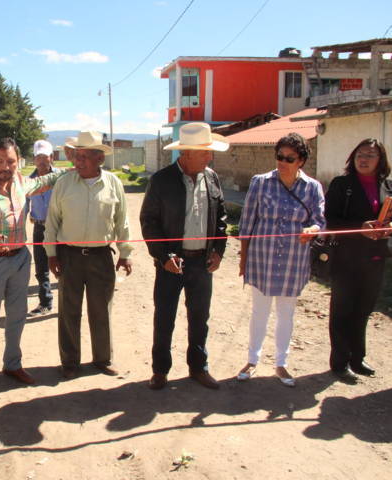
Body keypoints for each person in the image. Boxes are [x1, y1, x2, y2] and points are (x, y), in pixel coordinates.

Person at [0, 137, 64, 389]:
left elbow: (45, 181)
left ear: (18, 162)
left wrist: (74, 169)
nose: (5, 167)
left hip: (19, 259)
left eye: (10, 161)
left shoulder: (21, 181)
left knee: (17, 315)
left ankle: (12, 364)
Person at [140, 122, 228, 391]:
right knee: (164, 317)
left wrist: (218, 251)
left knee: (200, 318)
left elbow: (221, 218)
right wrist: (164, 256)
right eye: (204, 152)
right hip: (171, 264)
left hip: (202, 263)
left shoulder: (211, 178)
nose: (209, 157)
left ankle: (198, 367)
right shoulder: (161, 180)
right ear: (186, 153)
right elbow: (149, 222)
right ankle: (160, 370)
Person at [237, 132, 325, 387]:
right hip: (262, 257)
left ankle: (281, 363)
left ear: (301, 161)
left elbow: (319, 220)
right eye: (280, 156)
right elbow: (247, 223)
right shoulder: (260, 182)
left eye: (289, 158)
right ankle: (252, 360)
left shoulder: (312, 187)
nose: (283, 162)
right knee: (259, 312)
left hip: (293, 260)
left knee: (286, 314)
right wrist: (243, 259)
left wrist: (313, 230)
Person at [45, 131, 133, 379]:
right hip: (69, 256)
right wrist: (52, 254)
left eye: (84, 156)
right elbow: (52, 221)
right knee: (68, 311)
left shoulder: (113, 184)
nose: (78, 161)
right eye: (77, 156)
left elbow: (122, 221)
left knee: (101, 310)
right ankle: (70, 362)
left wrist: (125, 252)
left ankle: (102, 359)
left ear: (99, 159)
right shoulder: (64, 183)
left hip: (101, 257)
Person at [325, 138, 391, 384]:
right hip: (346, 258)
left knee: (363, 310)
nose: (364, 159)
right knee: (342, 311)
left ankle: (357, 358)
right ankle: (340, 362)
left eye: (370, 155)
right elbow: (330, 220)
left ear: (380, 160)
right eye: (360, 154)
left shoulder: (388, 186)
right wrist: (359, 227)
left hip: (375, 258)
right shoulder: (342, 185)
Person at [27, 139, 60, 317]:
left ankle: (68, 303)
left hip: (60, 228)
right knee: (41, 268)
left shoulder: (61, 178)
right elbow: (23, 205)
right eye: (38, 157)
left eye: (44, 156)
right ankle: (45, 303)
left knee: (64, 266)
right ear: (34, 159)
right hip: (39, 228)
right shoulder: (28, 181)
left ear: (51, 157)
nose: (41, 160)